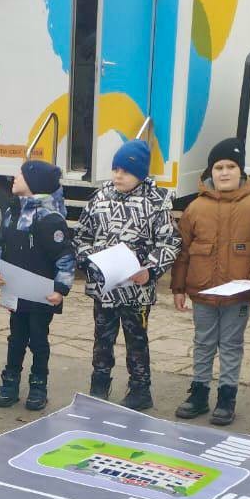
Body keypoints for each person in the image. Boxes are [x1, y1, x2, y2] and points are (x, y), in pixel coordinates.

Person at [170, 137, 250, 426]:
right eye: (219, 167)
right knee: (203, 342)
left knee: (231, 345)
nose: (225, 172)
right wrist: (178, 288)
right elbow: (182, 251)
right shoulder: (195, 208)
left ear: (241, 170)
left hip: (237, 295)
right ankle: (199, 393)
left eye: (231, 166)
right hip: (202, 293)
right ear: (210, 172)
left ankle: (226, 398)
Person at [74, 139, 180, 411]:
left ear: (141, 173)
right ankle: (99, 384)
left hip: (137, 290)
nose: (118, 175)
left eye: (126, 171)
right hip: (105, 288)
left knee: (136, 340)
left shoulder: (156, 202)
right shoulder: (100, 197)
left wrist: (150, 270)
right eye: (115, 169)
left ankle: (140, 389)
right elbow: (82, 236)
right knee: (102, 338)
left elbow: (169, 242)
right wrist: (90, 261)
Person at [0, 161, 74, 411]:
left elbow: (65, 256)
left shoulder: (49, 219)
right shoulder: (12, 211)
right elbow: (3, 246)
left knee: (38, 340)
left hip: (41, 295)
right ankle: (10, 382)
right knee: (15, 338)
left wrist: (60, 289)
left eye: (21, 174)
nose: (14, 177)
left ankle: (38, 385)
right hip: (16, 292)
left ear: (34, 183)